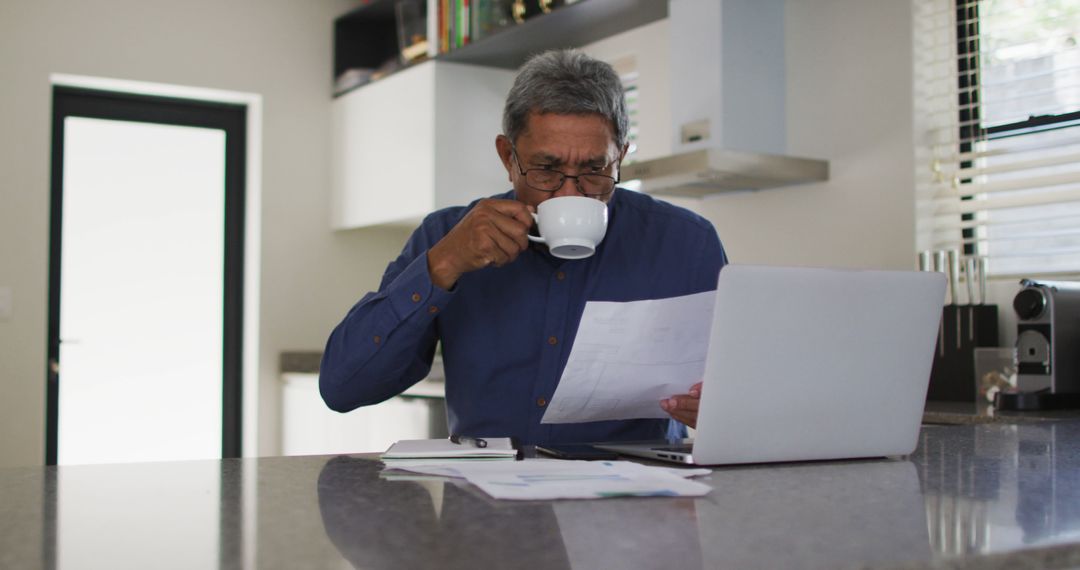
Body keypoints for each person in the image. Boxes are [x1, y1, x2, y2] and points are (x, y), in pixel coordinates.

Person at [320, 49, 728, 445]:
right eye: (547, 169)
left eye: (594, 169)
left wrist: (721, 407)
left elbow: (742, 393)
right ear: (507, 156)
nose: (571, 192)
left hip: (637, 501)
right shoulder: (447, 235)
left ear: (619, 157)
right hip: (487, 503)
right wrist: (443, 264)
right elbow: (343, 389)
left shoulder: (686, 243)